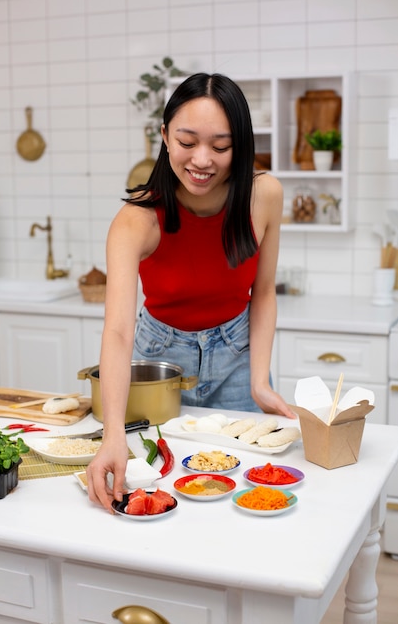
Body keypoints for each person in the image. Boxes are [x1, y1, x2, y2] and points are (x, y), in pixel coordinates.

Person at [86, 72, 296, 512]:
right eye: (187, 141)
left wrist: (259, 381)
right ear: (164, 136)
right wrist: (111, 436)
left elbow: (264, 294)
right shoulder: (136, 219)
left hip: (238, 358)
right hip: (157, 366)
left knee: (246, 493)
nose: (203, 160)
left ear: (240, 146)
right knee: (155, 481)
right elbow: (119, 333)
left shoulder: (265, 195)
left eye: (221, 146)